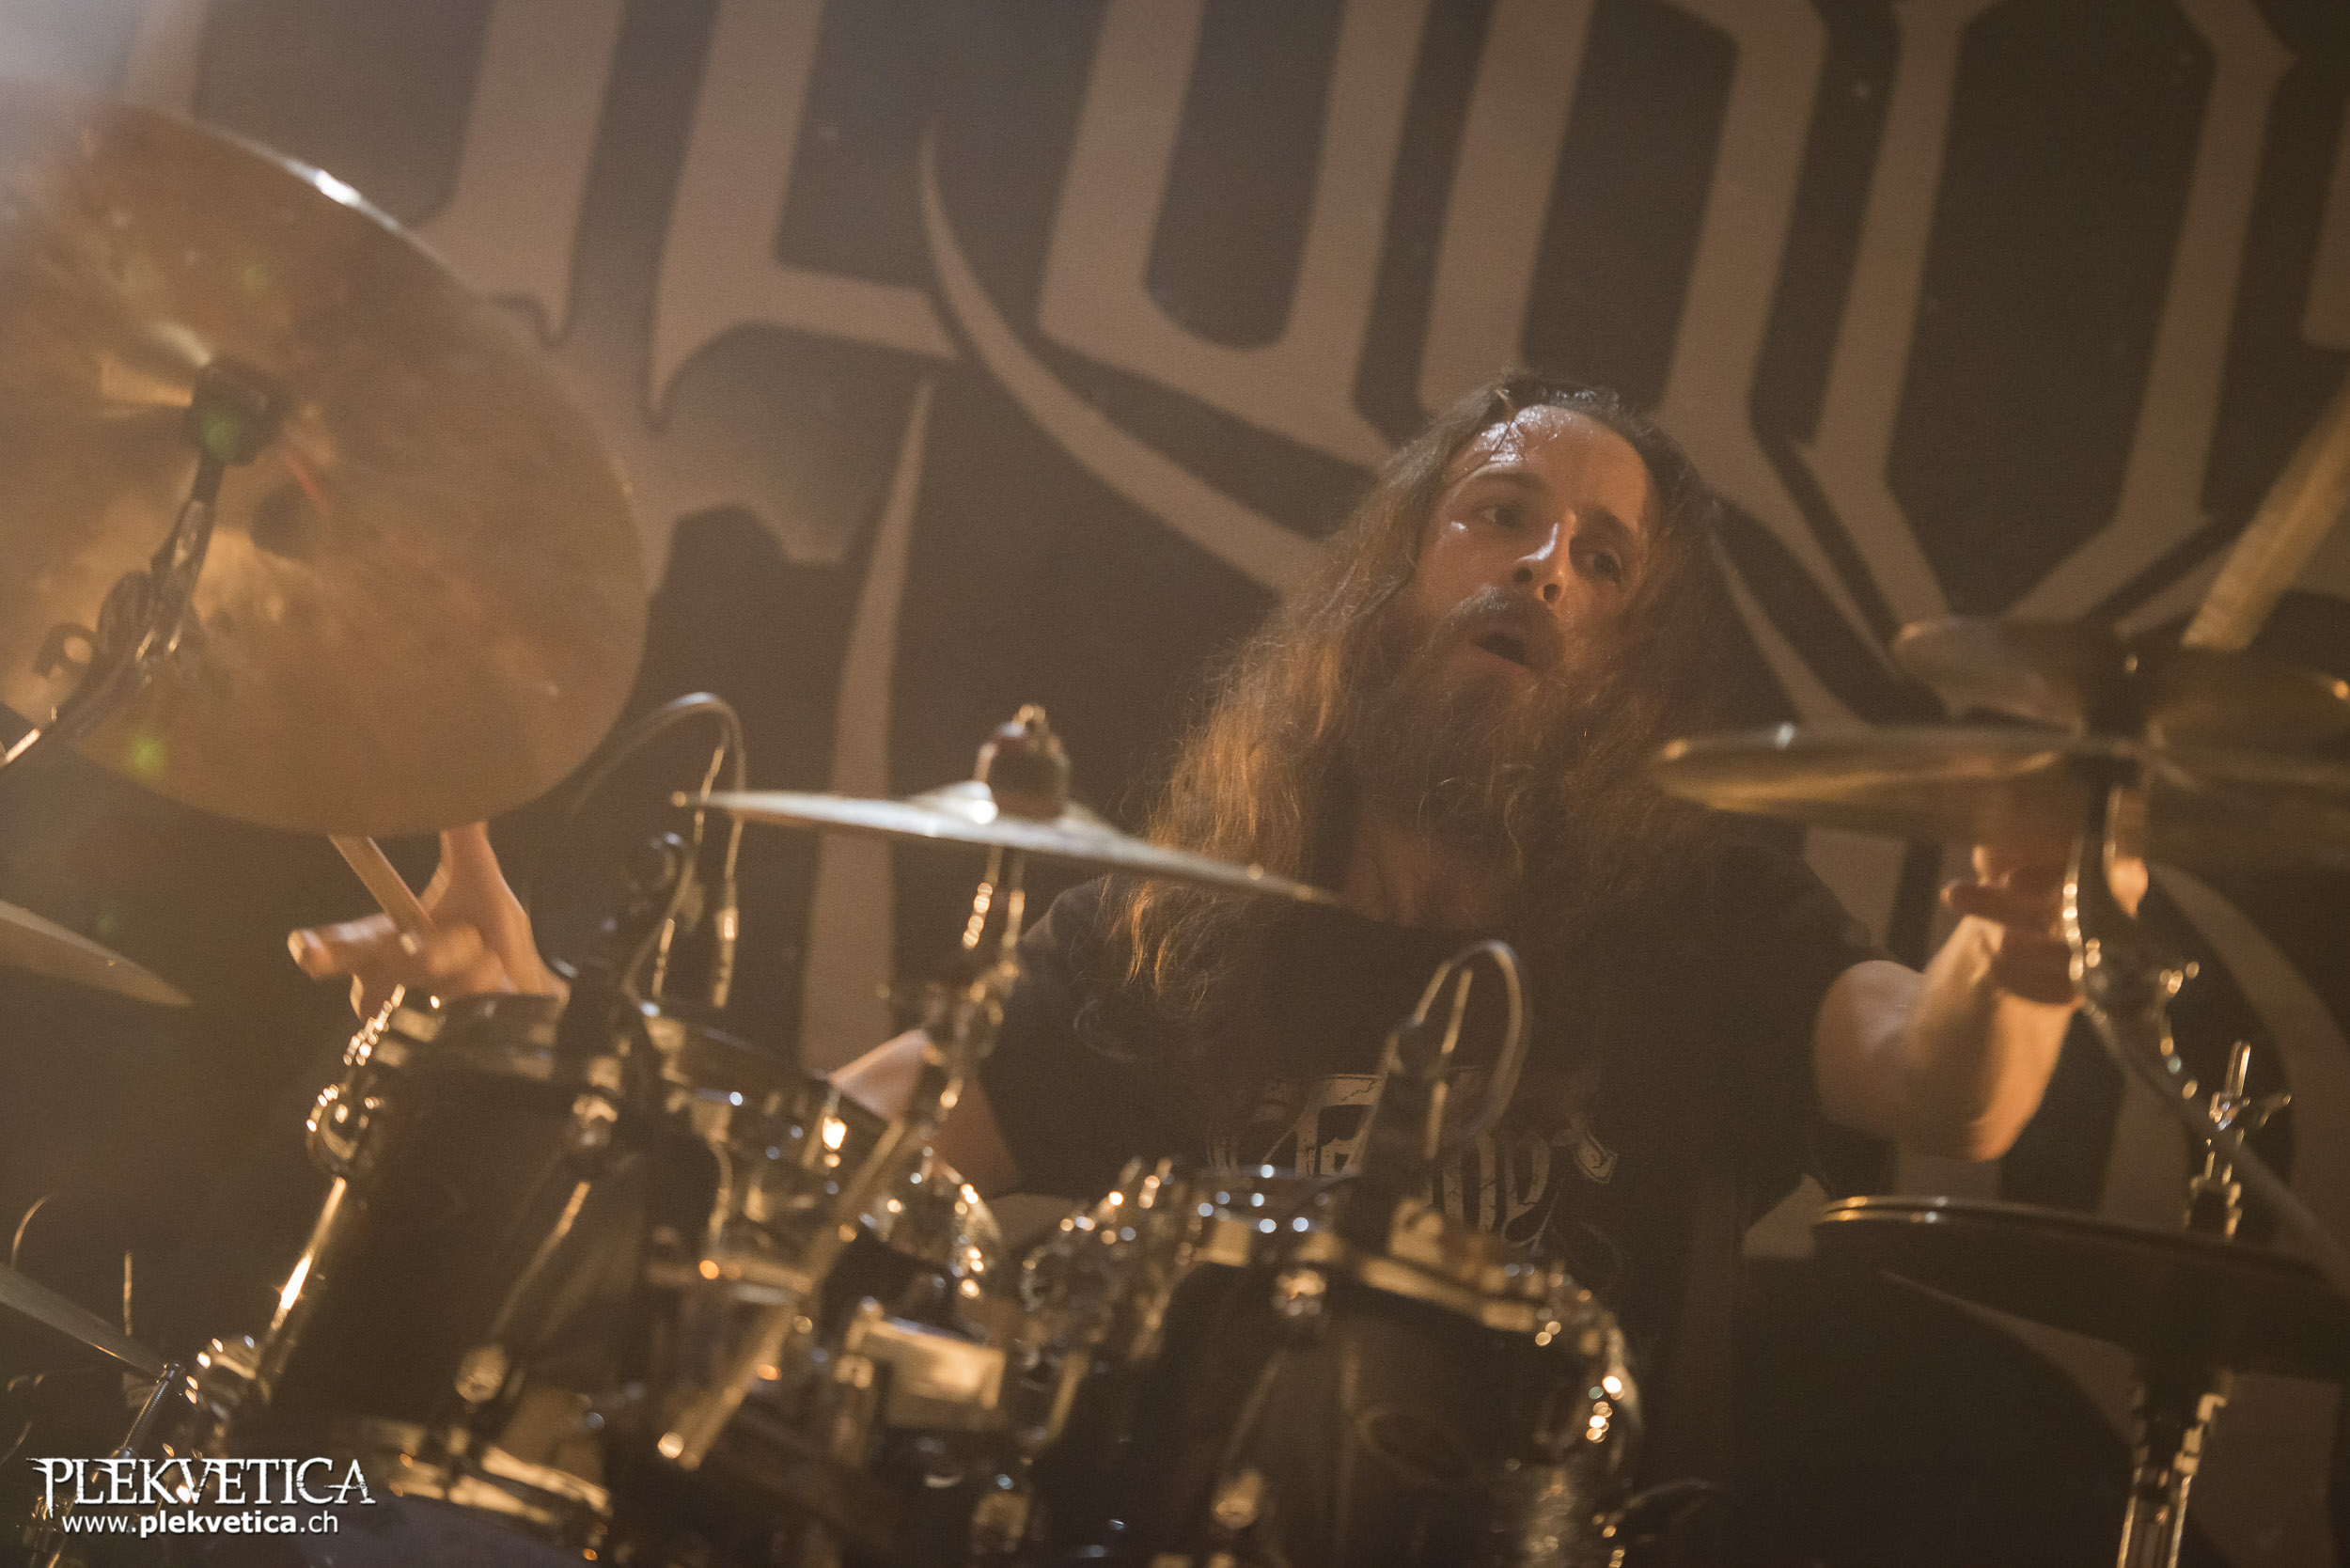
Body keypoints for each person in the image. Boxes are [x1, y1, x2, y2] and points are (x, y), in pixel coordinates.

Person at [289, 375, 2137, 1538]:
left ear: (1629, 662)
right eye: (1500, 515)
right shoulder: (1171, 927)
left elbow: (1940, 1080)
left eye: (1602, 561)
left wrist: (2022, 927)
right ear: (1394, 577)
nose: (1543, 570)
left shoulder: (1699, 920)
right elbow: (825, 1166)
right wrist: (539, 1038)